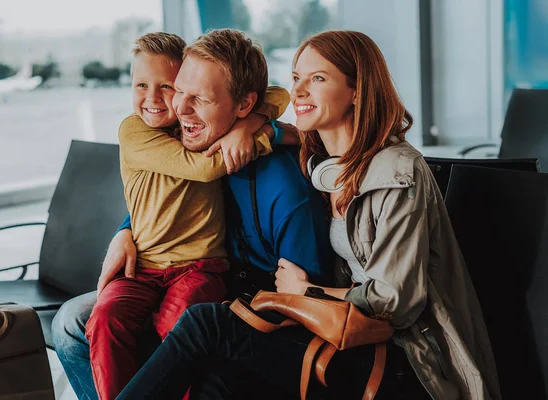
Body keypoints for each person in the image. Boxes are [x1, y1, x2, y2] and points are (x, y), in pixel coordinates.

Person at [116, 30, 502, 400]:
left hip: (403, 360)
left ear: (356, 91)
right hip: (342, 335)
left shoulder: (400, 172)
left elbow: (395, 303)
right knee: (216, 376)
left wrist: (306, 292)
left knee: (206, 326)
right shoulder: (322, 162)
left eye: (317, 78)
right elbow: (282, 124)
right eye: (297, 76)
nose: (298, 89)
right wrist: (128, 228)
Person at [52, 28, 334, 400]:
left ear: (244, 105)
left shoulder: (283, 190)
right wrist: (126, 229)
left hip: (247, 306)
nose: (178, 109)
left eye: (197, 98)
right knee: (72, 320)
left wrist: (262, 129)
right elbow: (167, 196)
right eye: (179, 90)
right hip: (170, 271)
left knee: (178, 328)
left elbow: (302, 313)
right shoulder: (191, 144)